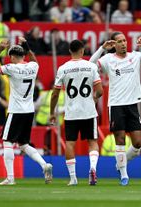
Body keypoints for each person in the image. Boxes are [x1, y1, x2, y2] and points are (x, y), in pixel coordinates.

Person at [89, 32, 141, 186]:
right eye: (119, 41)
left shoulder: (135, 56)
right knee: (120, 141)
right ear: (114, 44)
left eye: (124, 41)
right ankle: (124, 175)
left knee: (137, 143)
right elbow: (90, 64)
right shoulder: (108, 59)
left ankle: (120, 164)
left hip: (133, 105)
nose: (123, 43)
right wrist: (102, 48)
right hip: (116, 105)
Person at [0, 37, 53, 185]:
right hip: (29, 111)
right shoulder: (33, 67)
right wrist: (27, 46)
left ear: (12, 57)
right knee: (23, 144)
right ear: (24, 55)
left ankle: (10, 178)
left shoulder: (12, 68)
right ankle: (44, 165)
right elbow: (35, 60)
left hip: (16, 110)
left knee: (7, 141)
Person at [50, 40, 103, 186]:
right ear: (83, 51)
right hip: (89, 112)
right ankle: (92, 167)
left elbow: (54, 94)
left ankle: (73, 178)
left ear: (69, 51)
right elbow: (100, 91)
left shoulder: (63, 68)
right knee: (92, 142)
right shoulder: (91, 66)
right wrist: (94, 97)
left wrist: (52, 113)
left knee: (70, 144)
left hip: (71, 113)